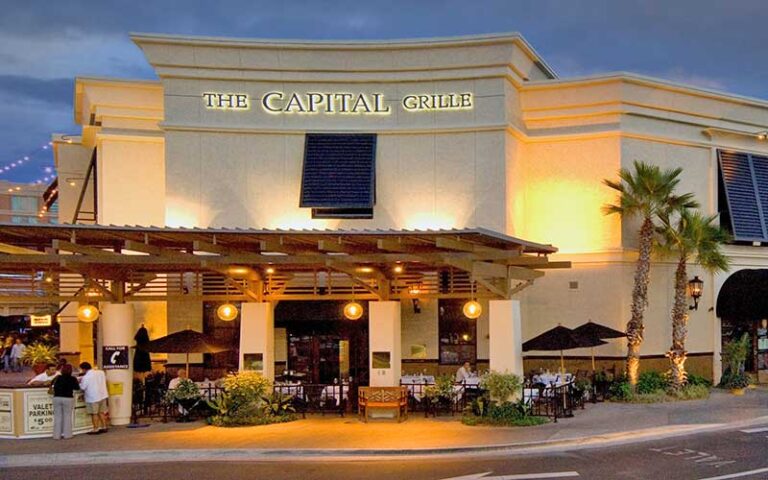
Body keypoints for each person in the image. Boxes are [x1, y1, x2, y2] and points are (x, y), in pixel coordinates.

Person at [78, 362, 109, 434]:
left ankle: (96, 428)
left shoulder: (86, 377)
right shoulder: (100, 372)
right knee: (101, 412)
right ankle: (104, 426)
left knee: (94, 413)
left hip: (93, 397)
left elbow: (83, 387)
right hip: (102, 395)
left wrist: (80, 382)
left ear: (84, 369)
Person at [51, 364, 80, 440]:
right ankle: (67, 435)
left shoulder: (58, 377)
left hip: (56, 397)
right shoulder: (72, 379)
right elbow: (77, 388)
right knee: (67, 416)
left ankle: (56, 435)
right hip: (68, 398)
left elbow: (51, 384)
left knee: (57, 417)